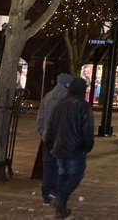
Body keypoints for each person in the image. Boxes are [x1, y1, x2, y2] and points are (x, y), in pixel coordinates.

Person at [43, 78, 94, 220]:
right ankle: (60, 199)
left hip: (60, 147)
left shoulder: (60, 104)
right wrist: (88, 146)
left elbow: (51, 126)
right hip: (75, 149)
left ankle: (61, 208)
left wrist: (49, 143)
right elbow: (87, 129)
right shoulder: (83, 106)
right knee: (76, 175)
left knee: (63, 175)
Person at [36, 73, 73, 207]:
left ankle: (46, 195)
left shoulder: (47, 97)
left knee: (48, 166)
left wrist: (43, 134)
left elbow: (40, 119)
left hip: (48, 139)